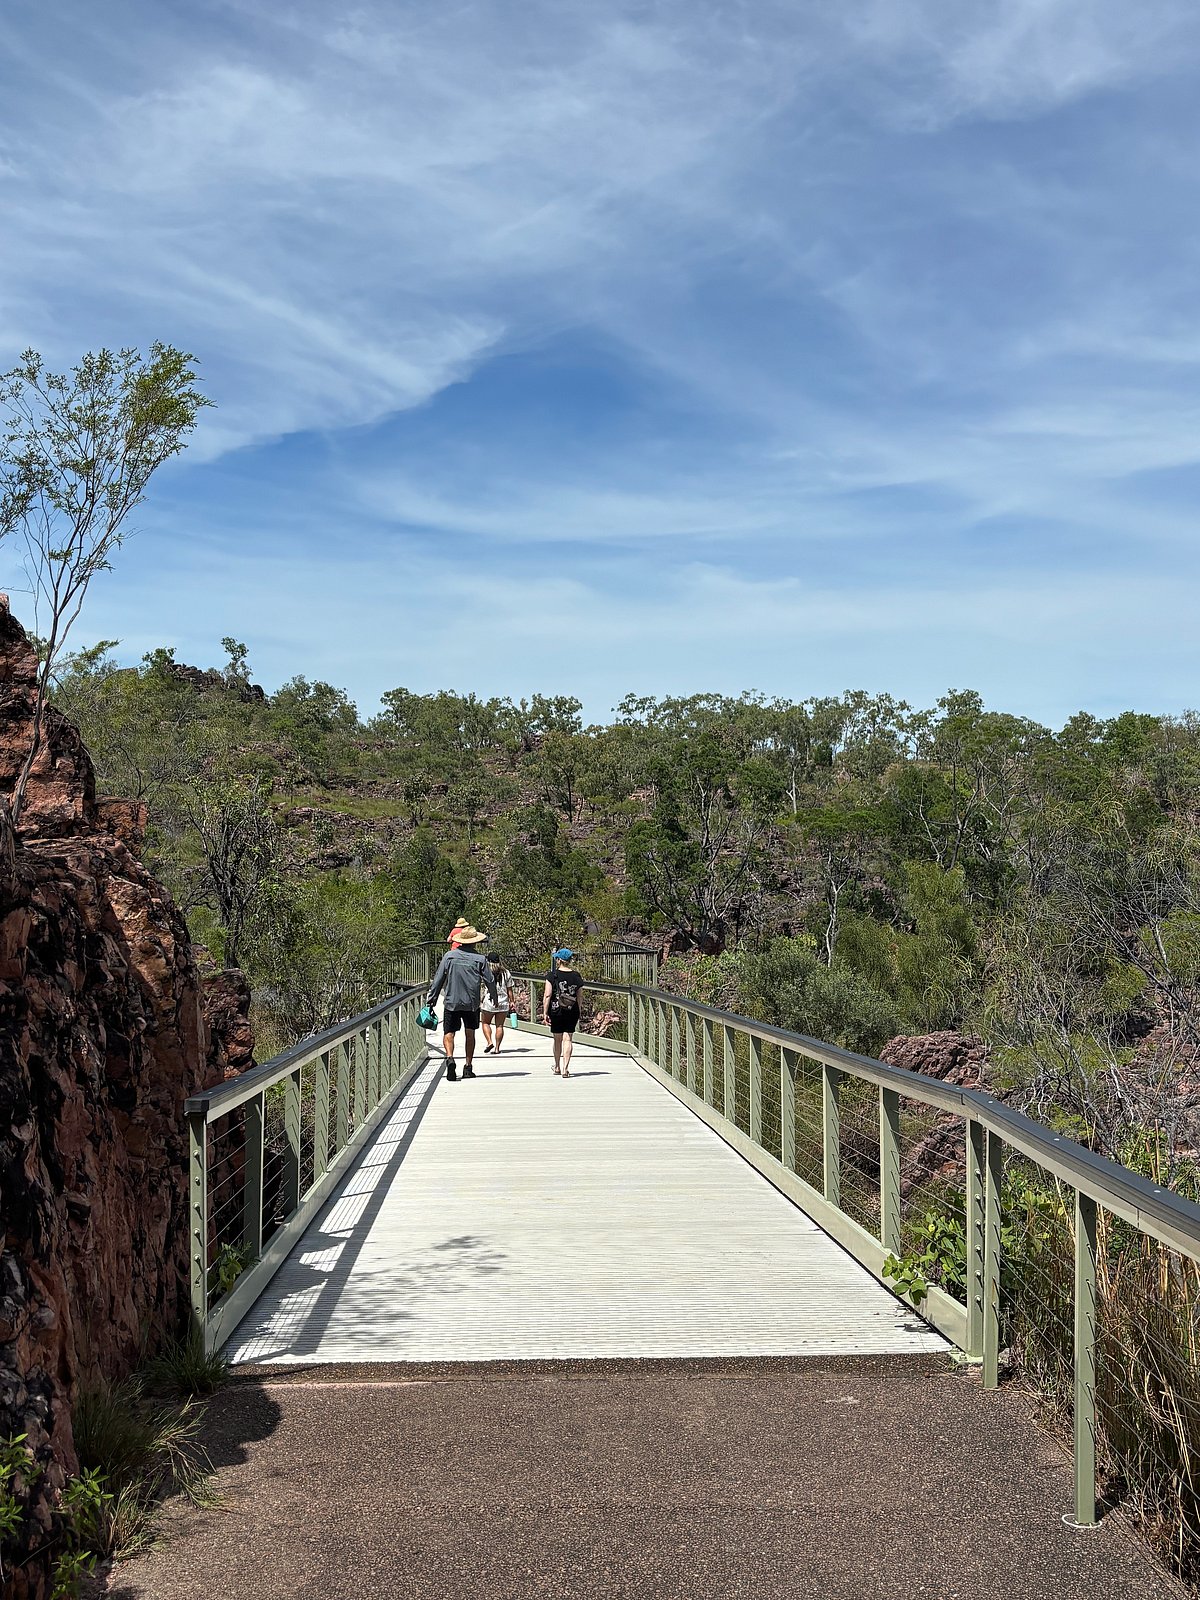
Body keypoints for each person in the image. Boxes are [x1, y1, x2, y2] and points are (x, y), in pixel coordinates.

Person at [426, 926, 496, 1081]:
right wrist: (494, 997)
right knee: (470, 1034)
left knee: (449, 1033)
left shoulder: (449, 956)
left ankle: (450, 1058)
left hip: (452, 1001)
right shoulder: (480, 959)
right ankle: (468, 1067)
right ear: (474, 942)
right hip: (471, 1003)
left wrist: (432, 999)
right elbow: (490, 981)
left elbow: (438, 980)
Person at [542, 948, 583, 1077]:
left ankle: (557, 1066)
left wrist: (544, 1012)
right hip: (572, 1010)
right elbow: (580, 996)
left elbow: (547, 995)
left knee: (557, 1039)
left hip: (556, 1009)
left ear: (559, 960)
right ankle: (566, 1068)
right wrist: (579, 1009)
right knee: (568, 1038)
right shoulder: (576, 976)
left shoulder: (552, 975)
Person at [480, 954, 513, 1055]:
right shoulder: (506, 973)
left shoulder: (486, 972)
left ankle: (489, 1042)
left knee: (485, 1023)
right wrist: (512, 1001)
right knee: (500, 1026)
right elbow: (510, 989)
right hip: (503, 1002)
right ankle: (497, 1048)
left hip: (489, 1002)